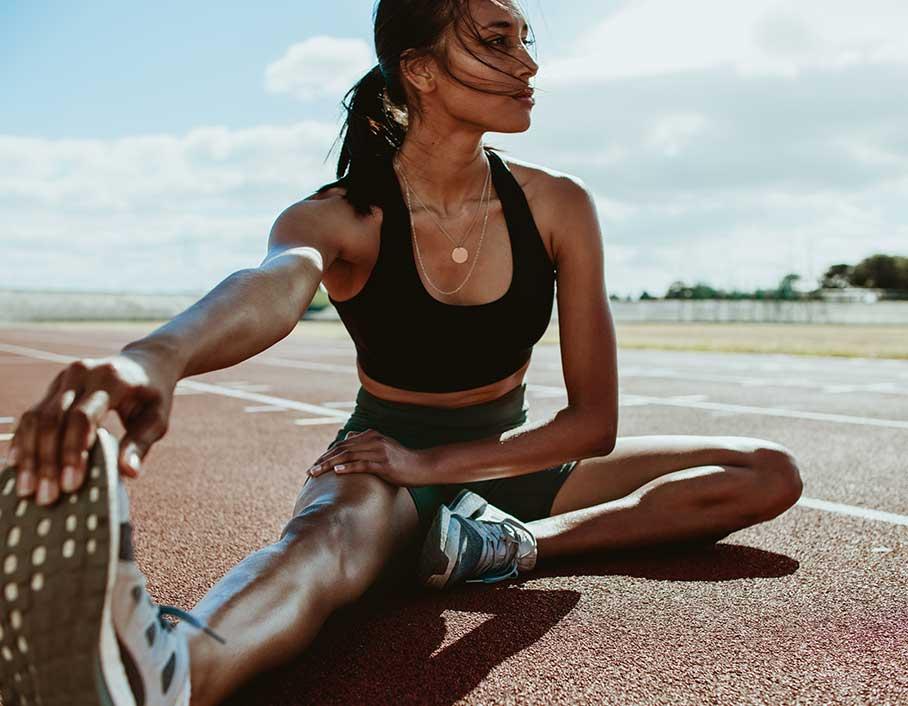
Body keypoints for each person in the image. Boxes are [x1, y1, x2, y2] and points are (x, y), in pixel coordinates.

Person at [0, 1, 805, 704]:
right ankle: (172, 672)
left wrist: (448, 474)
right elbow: (273, 287)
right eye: (497, 40)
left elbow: (594, 425)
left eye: (526, 39)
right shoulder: (345, 215)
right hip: (383, 468)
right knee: (315, 551)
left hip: (514, 466)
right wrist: (157, 358)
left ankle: (504, 548)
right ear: (419, 69)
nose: (528, 62)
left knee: (767, 472)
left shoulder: (558, 204)